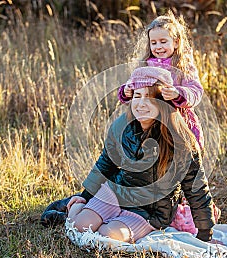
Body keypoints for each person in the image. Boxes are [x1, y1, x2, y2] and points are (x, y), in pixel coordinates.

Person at [65, 66, 217, 243]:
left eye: (150, 98)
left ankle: (107, 220)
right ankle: (78, 207)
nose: (141, 103)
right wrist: (84, 196)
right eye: (137, 96)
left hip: (150, 211)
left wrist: (206, 234)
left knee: (108, 236)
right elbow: (106, 163)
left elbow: (196, 188)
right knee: (79, 226)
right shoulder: (122, 126)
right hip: (117, 191)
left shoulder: (181, 140)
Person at [118, 10, 205, 149]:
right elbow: (133, 86)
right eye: (154, 43)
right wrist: (127, 91)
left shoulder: (183, 65)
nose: (158, 47)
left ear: (176, 42)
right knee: (153, 157)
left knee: (182, 156)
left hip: (178, 120)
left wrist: (178, 94)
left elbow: (196, 91)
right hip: (151, 120)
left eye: (163, 41)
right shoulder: (145, 64)